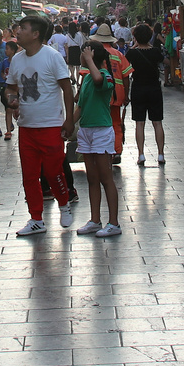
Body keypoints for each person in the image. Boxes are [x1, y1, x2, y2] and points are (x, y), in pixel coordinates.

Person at [5, 14, 76, 236]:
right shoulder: (16, 59)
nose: (18, 31)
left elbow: (67, 88)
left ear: (35, 34)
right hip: (27, 127)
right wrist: (11, 101)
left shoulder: (52, 57)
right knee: (29, 175)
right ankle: (36, 218)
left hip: (50, 125)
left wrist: (69, 119)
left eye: (23, 28)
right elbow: (11, 89)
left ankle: (64, 205)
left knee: (54, 171)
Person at [73, 43, 122, 237]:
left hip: (101, 131)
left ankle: (114, 222)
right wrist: (67, 125)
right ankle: (95, 220)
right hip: (86, 131)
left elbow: (98, 79)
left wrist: (90, 61)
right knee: (92, 178)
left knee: (106, 177)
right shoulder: (85, 80)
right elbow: (81, 107)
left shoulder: (106, 75)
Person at [87, 24, 131, 164]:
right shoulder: (118, 54)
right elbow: (126, 76)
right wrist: (126, 94)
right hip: (117, 92)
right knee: (116, 123)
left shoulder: (94, 54)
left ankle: (103, 151)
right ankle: (117, 150)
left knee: (102, 124)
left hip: (100, 94)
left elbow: (87, 75)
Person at [125, 23, 166, 166]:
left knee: (139, 123)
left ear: (135, 37)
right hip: (154, 89)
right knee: (157, 122)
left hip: (138, 89)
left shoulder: (131, 53)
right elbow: (164, 62)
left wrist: (134, 46)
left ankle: (141, 154)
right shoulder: (155, 51)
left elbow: (125, 66)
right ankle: (160, 154)